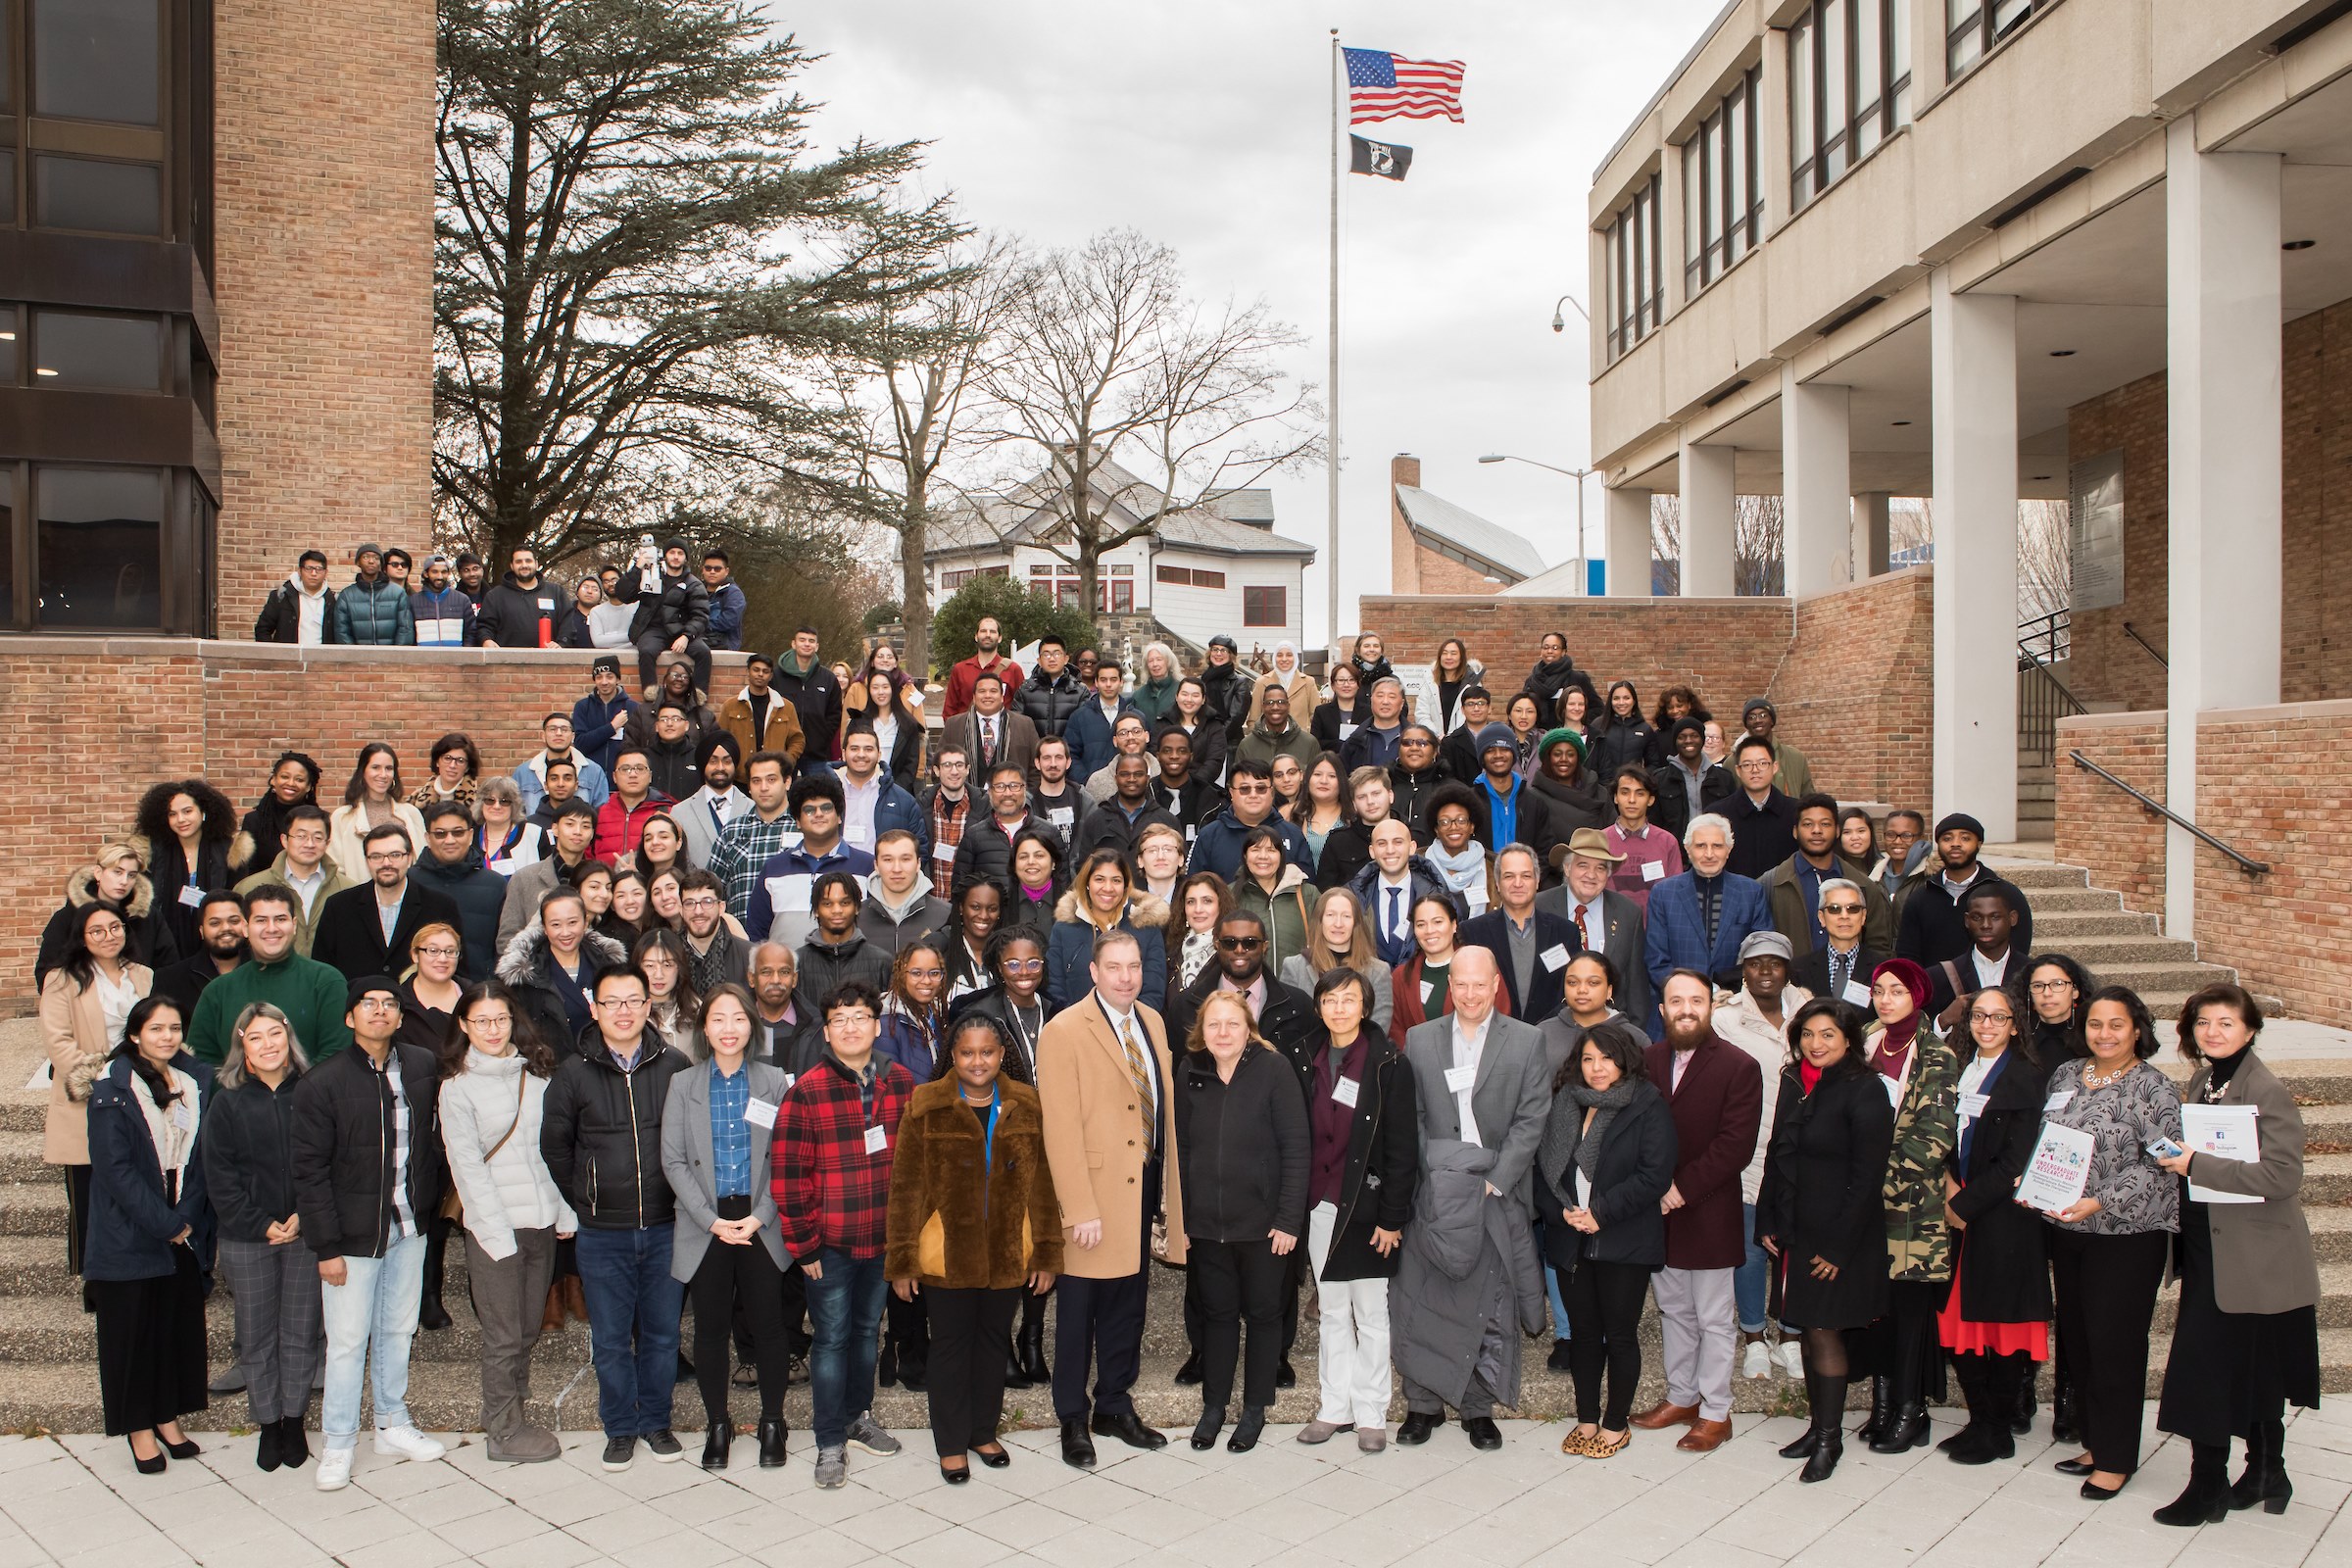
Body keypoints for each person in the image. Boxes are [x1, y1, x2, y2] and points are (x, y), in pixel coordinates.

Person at [2150, 984, 2323, 1525]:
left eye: (2225, 1023)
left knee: (2206, 1370)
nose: (2212, 1032)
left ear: (2250, 1029)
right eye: (2203, 1022)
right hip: (2210, 1248)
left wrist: (2196, 1164)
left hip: (2253, 1257)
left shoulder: (2264, 1088)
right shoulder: (2207, 1080)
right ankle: (2268, 1470)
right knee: (2253, 1368)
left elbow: (2283, 1175)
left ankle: (2208, 1487)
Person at [885, 1013, 1062, 1482]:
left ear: (1002, 1055)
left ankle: (982, 1430)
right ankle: (950, 1441)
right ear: (953, 1055)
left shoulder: (1027, 1104)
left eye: (987, 1052)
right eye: (967, 1052)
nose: (977, 1061)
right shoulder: (925, 1106)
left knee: (991, 1344)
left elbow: (1043, 1184)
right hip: (947, 1255)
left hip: (1008, 1251)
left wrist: (1046, 1252)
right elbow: (905, 1188)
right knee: (949, 1346)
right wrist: (902, 1259)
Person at [289, 975, 449, 1490]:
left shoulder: (423, 1067)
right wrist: (326, 1247)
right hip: (351, 1240)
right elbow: (308, 1171)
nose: (380, 1011)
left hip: (409, 1226)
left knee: (397, 1329)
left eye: (389, 1004)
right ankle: (337, 1443)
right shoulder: (324, 1081)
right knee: (347, 1341)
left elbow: (434, 1143)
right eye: (369, 1004)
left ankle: (391, 1422)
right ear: (349, 1017)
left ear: (401, 1017)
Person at [1035, 930, 1185, 1469]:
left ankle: (1114, 1404)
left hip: (1141, 1184)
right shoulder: (1065, 1030)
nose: (1126, 976)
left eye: (1134, 966)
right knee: (1079, 1312)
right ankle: (1073, 1416)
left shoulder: (1153, 1021)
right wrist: (1078, 1208)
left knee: (1129, 1304)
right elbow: (1060, 1128)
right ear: (1093, 973)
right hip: (1093, 1194)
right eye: (1114, 967)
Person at [1391, 948, 1549, 1450]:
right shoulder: (1420, 1039)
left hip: (1493, 1193)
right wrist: (1433, 1180)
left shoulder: (1527, 1041)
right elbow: (1410, 1116)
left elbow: (1531, 1120)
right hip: (1435, 1194)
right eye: (1462, 984)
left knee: (1487, 1304)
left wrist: (1493, 1180)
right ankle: (1422, 1405)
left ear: (1497, 984)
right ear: (1450, 986)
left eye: (1481, 985)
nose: (1471, 994)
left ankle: (1478, 1409)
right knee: (1423, 1298)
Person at [540, 963, 692, 1470]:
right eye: (612, 1002)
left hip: (667, 1228)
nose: (623, 1011)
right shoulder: (573, 1071)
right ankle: (620, 1427)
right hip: (603, 1232)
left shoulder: (674, 1066)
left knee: (663, 1333)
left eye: (633, 1001)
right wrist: (587, 1197)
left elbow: (689, 1143)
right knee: (609, 1337)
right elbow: (555, 1147)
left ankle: (656, 1421)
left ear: (649, 1007)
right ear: (595, 1008)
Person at [2038, 986, 2181, 1500]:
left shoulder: (2155, 1088)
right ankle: (2097, 1442)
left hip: (2127, 1236)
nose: (2104, 1034)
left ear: (2137, 1029)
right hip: (2068, 1230)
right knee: (2078, 1341)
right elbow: (2048, 1141)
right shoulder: (2067, 1075)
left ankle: (2117, 1459)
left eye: (2116, 1025)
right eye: (2096, 1024)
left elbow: (2161, 1162)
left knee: (2115, 1344)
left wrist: (2099, 1201)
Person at [774, 979, 914, 1488]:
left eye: (861, 1018)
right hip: (829, 1246)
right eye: (840, 1020)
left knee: (865, 1334)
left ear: (877, 1026)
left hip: (881, 1242)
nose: (851, 1027)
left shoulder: (900, 1083)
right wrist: (804, 1242)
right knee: (830, 1339)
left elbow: (914, 1166)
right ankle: (829, 1438)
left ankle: (858, 1417)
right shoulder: (807, 1090)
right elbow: (788, 1175)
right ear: (827, 1031)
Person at [1756, 998, 1896, 1483]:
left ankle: (1830, 1441)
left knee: (1823, 1331)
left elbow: (1867, 1176)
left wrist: (1838, 1248)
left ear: (1849, 1040)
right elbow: (1778, 1151)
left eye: (1828, 1035)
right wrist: (1768, 1219)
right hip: (1797, 1228)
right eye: (1809, 1034)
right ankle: (1818, 1429)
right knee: (1808, 1329)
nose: (1816, 1044)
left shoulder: (1866, 1089)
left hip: (1841, 1237)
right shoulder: (1795, 1080)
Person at [1627, 972, 1762, 1454]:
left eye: (1696, 1001)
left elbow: (1735, 1146)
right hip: (1657, 1215)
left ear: (1711, 1007)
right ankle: (1682, 1397)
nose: (1686, 1009)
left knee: (1713, 1318)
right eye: (1676, 1001)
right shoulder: (1646, 1061)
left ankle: (1715, 1411)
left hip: (1707, 1210)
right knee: (1674, 1311)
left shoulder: (1739, 1066)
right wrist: (1654, 1188)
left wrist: (1679, 1189)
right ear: (1661, 1009)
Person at [437, 981, 571, 1465]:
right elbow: (467, 1167)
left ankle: (516, 1410)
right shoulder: (456, 1088)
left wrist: (564, 1211)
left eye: (500, 1019)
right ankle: (503, 1430)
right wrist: (493, 1233)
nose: (493, 1030)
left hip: (540, 1220)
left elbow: (553, 1151)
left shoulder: (535, 1077)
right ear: (464, 1026)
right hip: (495, 1228)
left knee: (528, 1327)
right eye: (481, 1021)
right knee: (503, 1335)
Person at [1282, 969, 1415, 1452]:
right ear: (1319, 1006)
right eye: (1330, 1000)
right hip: (1318, 1204)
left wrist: (1392, 1218)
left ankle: (1372, 1413)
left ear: (1365, 1006)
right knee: (1334, 1309)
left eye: (1349, 1000)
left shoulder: (1388, 1063)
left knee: (1372, 1312)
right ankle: (1334, 1407)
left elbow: (1403, 1148)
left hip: (1367, 1206)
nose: (1339, 1008)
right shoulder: (1301, 1056)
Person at [662, 984, 794, 1470]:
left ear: (752, 1025)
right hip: (706, 1220)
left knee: (770, 1326)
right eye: (718, 1019)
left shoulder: (774, 1080)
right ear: (704, 1029)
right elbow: (673, 1161)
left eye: (738, 1018)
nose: (729, 1029)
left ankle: (772, 1423)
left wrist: (760, 1215)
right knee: (711, 1328)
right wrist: (713, 1220)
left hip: (762, 1217)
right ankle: (718, 1424)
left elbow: (787, 1157)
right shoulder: (685, 1084)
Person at [1174, 991, 1307, 1454]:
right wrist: (1185, 1217)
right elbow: (1183, 1151)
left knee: (1266, 1316)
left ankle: (1254, 1409)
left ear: (1248, 1027)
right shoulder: (1190, 1071)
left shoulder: (1274, 1070)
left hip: (1265, 1226)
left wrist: (1289, 1219)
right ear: (1202, 1030)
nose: (1223, 1033)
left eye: (1233, 1024)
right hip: (1209, 1227)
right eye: (1214, 1025)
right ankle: (1214, 1407)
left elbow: (1296, 1147)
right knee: (1217, 1317)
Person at [83, 996, 212, 1475]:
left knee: (170, 1330)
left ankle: (166, 1416)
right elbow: (115, 1171)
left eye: (175, 1028)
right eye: (156, 1029)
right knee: (130, 1336)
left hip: (181, 1223)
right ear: (135, 1034)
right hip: (131, 1232)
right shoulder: (111, 1089)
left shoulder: (192, 1082)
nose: (167, 1037)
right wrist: (167, 1224)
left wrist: (189, 1216)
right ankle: (138, 1429)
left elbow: (198, 1159)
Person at [1539, 1018, 1675, 1459]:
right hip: (1569, 1238)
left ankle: (1615, 1423)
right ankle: (1586, 1418)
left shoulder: (1646, 1104)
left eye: (1607, 1059)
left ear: (1625, 1061)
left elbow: (1654, 1175)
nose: (1597, 1068)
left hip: (1623, 1239)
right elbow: (1541, 1170)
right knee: (1583, 1333)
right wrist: (1559, 1212)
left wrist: (1600, 1214)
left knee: (1619, 1334)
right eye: (1588, 1059)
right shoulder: (1565, 1103)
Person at [1935, 984, 2051, 1467]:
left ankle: (1999, 1429)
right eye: (1978, 1016)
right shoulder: (1958, 1070)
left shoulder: (2026, 1077)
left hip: (2001, 1220)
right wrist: (1946, 1187)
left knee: (2001, 1331)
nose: (1986, 1025)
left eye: (1998, 1017)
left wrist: (1965, 1205)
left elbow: (2017, 1159)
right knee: (1958, 1325)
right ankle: (1979, 1419)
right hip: (1956, 1210)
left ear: (2015, 1025)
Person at [1848, 957, 1960, 1457]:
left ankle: (1912, 1411)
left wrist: (1873, 1182)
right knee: (1878, 1310)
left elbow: (1932, 1139)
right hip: (1866, 1206)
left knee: (1912, 1313)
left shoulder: (1937, 1056)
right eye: (1879, 989)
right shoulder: (1864, 1043)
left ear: (1919, 995)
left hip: (1912, 1206)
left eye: (1897, 990)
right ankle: (1883, 1403)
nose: (1886, 998)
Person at [203, 1004, 317, 1471]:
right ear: (242, 1046)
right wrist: (259, 1222)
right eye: (256, 1037)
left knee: (299, 1332)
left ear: (288, 1039)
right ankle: (268, 1424)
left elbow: (328, 1159)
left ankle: (294, 1420)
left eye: (275, 1034)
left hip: (306, 1233)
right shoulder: (227, 1100)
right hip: (247, 1237)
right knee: (256, 1334)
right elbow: (219, 1175)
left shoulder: (313, 1091)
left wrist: (304, 1215)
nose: (268, 1044)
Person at [1710, 932, 1811, 1383]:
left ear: (1788, 968)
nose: (1765, 971)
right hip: (1748, 1151)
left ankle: (1790, 1335)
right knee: (1750, 1249)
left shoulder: (1811, 1010)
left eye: (1775, 962)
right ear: (1743, 969)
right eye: (1755, 963)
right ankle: (1753, 1336)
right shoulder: (1723, 1020)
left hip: (1802, 1151)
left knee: (1795, 1246)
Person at [42, 901, 158, 1285]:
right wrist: (106, 1077)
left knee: (137, 1183)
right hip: (89, 1095)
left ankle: (135, 1267)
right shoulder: (61, 980)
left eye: (115, 927)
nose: (108, 936)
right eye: (97, 930)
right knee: (89, 1191)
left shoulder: (143, 976)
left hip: (140, 1089)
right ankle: (92, 1278)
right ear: (82, 936)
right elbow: (58, 1042)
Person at [187, 886, 355, 1065]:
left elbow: (337, 1052)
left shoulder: (325, 981)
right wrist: (242, 1092)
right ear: (245, 928)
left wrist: (290, 1091)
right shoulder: (218, 991)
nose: (271, 928)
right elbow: (201, 1063)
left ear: (294, 925)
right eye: (261, 920)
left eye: (280, 919)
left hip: (313, 1092)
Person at [1642, 814, 1773, 1032]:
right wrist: (1696, 994)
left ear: (1729, 849)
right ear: (1688, 848)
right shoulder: (1664, 894)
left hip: (1737, 1013)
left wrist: (1729, 994)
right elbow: (1656, 960)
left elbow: (1761, 956)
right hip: (1677, 1016)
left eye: (1717, 846)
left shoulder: (1751, 892)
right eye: (1701, 845)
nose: (1709, 854)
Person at [311, 824, 466, 984]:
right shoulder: (339, 906)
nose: (386, 863)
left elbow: (457, 965)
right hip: (357, 1005)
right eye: (376, 856)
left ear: (410, 858)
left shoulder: (440, 906)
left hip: (419, 1007)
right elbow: (323, 969)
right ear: (367, 861)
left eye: (395, 855)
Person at [745, 774, 876, 950]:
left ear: (839, 817)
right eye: (809, 810)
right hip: (786, 974)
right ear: (797, 821)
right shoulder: (773, 869)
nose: (818, 814)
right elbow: (757, 933)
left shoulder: (866, 866)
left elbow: (877, 929)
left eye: (826, 808)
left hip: (851, 973)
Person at [1538, 828, 1651, 1030]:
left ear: (1608, 874)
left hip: (1611, 1030)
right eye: (1583, 865)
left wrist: (1634, 1034)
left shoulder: (1628, 913)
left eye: (1600, 868)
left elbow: (1636, 986)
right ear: (1567, 868)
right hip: (1553, 1029)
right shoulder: (1540, 907)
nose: (1591, 875)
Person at [1758, 794, 1894, 959]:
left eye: (1825, 824)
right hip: (1792, 983)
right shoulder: (1770, 884)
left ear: (1837, 831)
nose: (1817, 830)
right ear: (1795, 831)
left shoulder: (1864, 886)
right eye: (1808, 824)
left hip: (1848, 982)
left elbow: (1878, 948)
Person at [1462, 844, 1581, 1022]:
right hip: (1493, 1037)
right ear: (1497, 883)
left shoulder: (1565, 932)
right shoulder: (1473, 932)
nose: (1518, 884)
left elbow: (1572, 988)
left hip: (1552, 1038)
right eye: (1509, 876)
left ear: (1537, 881)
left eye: (1526, 876)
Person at [1893, 812, 2034, 963]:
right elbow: (1908, 954)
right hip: (1934, 984)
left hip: (1992, 985)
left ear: (1979, 844)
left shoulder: (2006, 895)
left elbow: (2018, 952)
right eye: (1947, 838)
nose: (1955, 843)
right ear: (1938, 844)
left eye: (1965, 838)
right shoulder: (1920, 897)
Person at [1047, 849, 1170, 1011]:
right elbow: (1055, 990)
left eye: (1116, 880)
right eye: (1099, 879)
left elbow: (1153, 992)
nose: (1108, 888)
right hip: (1077, 1031)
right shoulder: (1064, 929)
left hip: (1130, 1030)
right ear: (1087, 883)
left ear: (1126, 886)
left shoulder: (1145, 927)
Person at [132, 779, 238, 957]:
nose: (180, 820)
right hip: (164, 946)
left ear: (203, 812)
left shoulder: (227, 850)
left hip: (217, 945)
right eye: (172, 814)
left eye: (187, 811)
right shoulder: (153, 852)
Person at [234, 804, 353, 955]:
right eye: (301, 836)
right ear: (284, 840)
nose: (309, 844)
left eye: (317, 837)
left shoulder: (347, 889)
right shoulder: (249, 887)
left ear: (327, 843)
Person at [1278, 887, 1396, 1038]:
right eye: (1330, 915)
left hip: (1361, 1058)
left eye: (1346, 916)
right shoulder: (1294, 967)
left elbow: (1378, 1028)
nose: (1338, 923)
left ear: (1356, 923)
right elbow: (1290, 1025)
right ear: (1319, 921)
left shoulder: (1379, 971)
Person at [411, 805, 508, 980]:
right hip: (418, 991)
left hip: (478, 991)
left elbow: (503, 945)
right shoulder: (409, 882)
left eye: (458, 833)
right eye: (440, 834)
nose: (449, 840)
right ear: (427, 838)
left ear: (470, 835)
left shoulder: (495, 884)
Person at [1346, 816, 1449, 970]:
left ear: (1412, 847)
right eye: (1382, 843)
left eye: (1398, 842)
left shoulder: (1438, 896)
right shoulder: (1351, 897)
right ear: (1372, 851)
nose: (1390, 850)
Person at [1923, 883, 2030, 1029]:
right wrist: (1943, 1020)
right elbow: (1920, 1040)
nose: (1986, 925)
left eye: (1995, 917)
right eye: (1977, 917)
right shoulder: (1940, 976)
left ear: (2012, 918)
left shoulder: (2032, 974)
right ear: (1967, 920)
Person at [1189, 760, 1314, 879]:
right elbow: (1194, 887)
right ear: (1231, 793)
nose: (1253, 795)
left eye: (1261, 788)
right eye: (1244, 789)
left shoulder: (1293, 834)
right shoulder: (1209, 836)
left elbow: (1307, 889)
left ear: (1272, 792)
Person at [617, 536, 713, 692]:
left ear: (685, 558)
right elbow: (623, 595)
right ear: (665, 555)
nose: (676, 557)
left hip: (682, 631)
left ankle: (699, 696)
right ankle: (650, 694)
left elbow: (701, 616)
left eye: (680, 553)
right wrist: (637, 568)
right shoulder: (649, 575)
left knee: (703, 653)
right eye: (672, 552)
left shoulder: (694, 584)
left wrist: (686, 636)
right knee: (647, 651)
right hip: (652, 630)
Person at [325, 745, 431, 885]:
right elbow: (335, 870)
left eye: (388, 768)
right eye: (375, 767)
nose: (383, 774)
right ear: (363, 771)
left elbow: (424, 863)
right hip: (359, 899)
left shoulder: (411, 814)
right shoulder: (343, 817)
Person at [1466, 721, 1559, 864]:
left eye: (1504, 749)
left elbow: (1544, 852)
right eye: (1490, 750)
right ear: (1481, 757)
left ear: (1513, 753)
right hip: (1482, 882)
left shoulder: (1535, 803)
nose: (1498, 755)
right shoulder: (1468, 803)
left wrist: (1530, 878)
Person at [1599, 766, 1683, 914]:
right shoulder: (1599, 841)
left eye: (1640, 793)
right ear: (1615, 797)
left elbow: (1675, 896)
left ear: (1650, 800)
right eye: (1625, 792)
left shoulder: (1667, 842)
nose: (1632, 800)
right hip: (1610, 931)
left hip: (1656, 930)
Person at [1230, 827, 1314, 973]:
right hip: (1244, 987)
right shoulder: (1229, 894)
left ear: (1281, 856)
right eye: (1255, 849)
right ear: (1245, 855)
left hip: (1296, 988)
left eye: (1271, 850)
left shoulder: (1306, 894)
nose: (1263, 856)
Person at [1792, 878, 1886, 1008]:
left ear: (1863, 916)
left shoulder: (1884, 968)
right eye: (1834, 909)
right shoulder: (1799, 969)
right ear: (1821, 918)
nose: (1844, 915)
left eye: (1852, 908)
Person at [857, 831, 951, 960]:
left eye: (905, 859)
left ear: (918, 864)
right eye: (888, 860)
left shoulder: (946, 915)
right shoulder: (856, 917)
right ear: (876, 865)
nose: (897, 868)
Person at [1073, 755, 1182, 861]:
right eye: (1125, 774)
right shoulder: (1096, 820)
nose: (1131, 779)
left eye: (1138, 774)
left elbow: (1179, 864)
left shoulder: (1167, 821)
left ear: (1148, 779)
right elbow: (1084, 867)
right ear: (1116, 778)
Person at [944, 669, 1040, 786]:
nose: (987, 695)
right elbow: (940, 764)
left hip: (1013, 799)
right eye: (982, 691)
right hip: (966, 800)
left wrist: (1027, 797)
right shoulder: (954, 725)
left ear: (1002, 696)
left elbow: (1036, 767)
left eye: (993, 691)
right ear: (974, 697)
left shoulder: (1024, 725)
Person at [1647, 718, 1734, 842]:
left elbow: (1731, 820)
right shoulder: (1660, 779)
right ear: (1675, 741)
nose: (1688, 740)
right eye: (1682, 737)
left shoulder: (1723, 778)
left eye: (1694, 736)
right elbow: (1654, 823)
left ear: (1702, 740)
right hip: (1675, 853)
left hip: (1715, 851)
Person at [774, 627, 846, 774]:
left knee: (816, 795)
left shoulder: (828, 678)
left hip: (816, 755)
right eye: (802, 640)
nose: (807, 644)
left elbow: (835, 713)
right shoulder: (776, 677)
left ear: (817, 646)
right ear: (793, 644)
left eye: (811, 641)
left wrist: (821, 739)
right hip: (783, 752)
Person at [514, 712, 612, 816]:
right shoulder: (523, 772)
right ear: (543, 736)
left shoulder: (593, 771)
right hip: (535, 831)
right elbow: (516, 813)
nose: (559, 733)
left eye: (564, 729)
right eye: (552, 729)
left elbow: (602, 812)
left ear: (573, 736)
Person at [1063, 659, 1141, 782]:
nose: (1108, 684)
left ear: (1121, 682)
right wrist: (1087, 781)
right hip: (1090, 790)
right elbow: (1070, 754)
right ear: (1096, 682)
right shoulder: (1079, 717)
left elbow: (1146, 752)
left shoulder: (1136, 717)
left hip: (1129, 786)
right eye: (1103, 680)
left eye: (1113, 679)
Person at [1418, 785, 1490, 918]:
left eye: (1461, 820)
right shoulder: (1418, 864)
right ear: (1436, 830)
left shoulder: (1493, 865)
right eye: (1445, 822)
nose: (1454, 827)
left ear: (1472, 826)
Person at [942, 615, 1026, 718]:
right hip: (966, 731)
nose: (988, 635)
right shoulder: (960, 669)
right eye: (983, 631)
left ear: (999, 638)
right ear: (976, 636)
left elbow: (1022, 709)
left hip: (1002, 732)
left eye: (992, 631)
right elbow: (949, 710)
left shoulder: (1013, 669)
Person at [329, 543, 415, 645]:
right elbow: (342, 632)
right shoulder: (346, 595)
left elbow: (405, 629)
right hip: (358, 658)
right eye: (365, 557)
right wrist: (354, 658)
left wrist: (395, 657)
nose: (371, 561)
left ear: (381, 563)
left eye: (376, 558)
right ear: (358, 562)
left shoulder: (397, 593)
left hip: (391, 658)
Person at [570, 655, 640, 779]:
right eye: (599, 677)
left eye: (609, 676)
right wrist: (612, 727)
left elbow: (638, 746)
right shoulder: (583, 707)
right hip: (589, 778)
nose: (604, 682)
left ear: (617, 679)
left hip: (623, 779)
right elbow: (581, 744)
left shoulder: (632, 707)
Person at [1529, 729, 1608, 837]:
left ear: (1578, 758)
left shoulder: (1600, 794)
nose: (1564, 759)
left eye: (1570, 754)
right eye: (1557, 754)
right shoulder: (1533, 798)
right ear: (1548, 758)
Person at [1167, 871, 1234, 996]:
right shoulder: (1171, 953)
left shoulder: (1232, 952)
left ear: (1221, 905)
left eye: (1207, 901)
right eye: (1191, 902)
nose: (1198, 909)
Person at [1011, 633, 1088, 740]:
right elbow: (1017, 728)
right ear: (1039, 661)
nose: (1051, 659)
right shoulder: (1026, 690)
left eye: (1057, 654)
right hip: (1036, 753)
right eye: (1046, 655)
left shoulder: (1079, 691)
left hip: (1067, 754)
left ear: (1066, 659)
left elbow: (1085, 729)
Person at [1235, 681, 1318, 776]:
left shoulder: (1309, 743)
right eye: (1269, 702)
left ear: (1288, 706)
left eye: (1281, 702)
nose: (1275, 707)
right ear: (1263, 707)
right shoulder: (1247, 745)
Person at [1737, 698, 1814, 798]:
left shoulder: (1796, 758)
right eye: (1751, 717)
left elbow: (1808, 797)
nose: (1758, 720)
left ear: (1772, 720)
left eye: (1763, 715)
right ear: (1746, 724)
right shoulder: (1733, 761)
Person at [1162, 677, 1229, 791]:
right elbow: (1156, 754)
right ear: (1176, 696)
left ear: (1203, 699)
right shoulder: (1163, 722)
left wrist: (1191, 785)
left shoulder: (1214, 725)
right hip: (1165, 788)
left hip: (1202, 789)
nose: (1189, 699)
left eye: (1195, 695)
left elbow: (1215, 761)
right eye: (1184, 694)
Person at [255, 549, 335, 644]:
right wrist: (274, 654)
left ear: (326, 573)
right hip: (289, 657)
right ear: (300, 571)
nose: (314, 573)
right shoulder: (281, 596)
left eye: (319, 569)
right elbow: (262, 629)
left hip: (322, 657)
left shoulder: (333, 600)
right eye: (308, 568)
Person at [1339, 676, 1410, 773]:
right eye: (1380, 696)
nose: (1385, 702)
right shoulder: (1355, 740)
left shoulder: (1413, 740)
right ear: (1371, 700)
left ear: (1402, 704)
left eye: (1392, 697)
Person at [474, 778, 544, 877]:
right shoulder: (469, 835)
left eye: (504, 801)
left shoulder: (534, 834)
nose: (497, 806)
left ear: (514, 806)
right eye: (490, 800)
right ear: (481, 804)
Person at [1288, 753, 1348, 865]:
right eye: (1317, 774)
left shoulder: (1353, 817)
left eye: (1332, 776)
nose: (1324, 781)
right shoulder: (1290, 814)